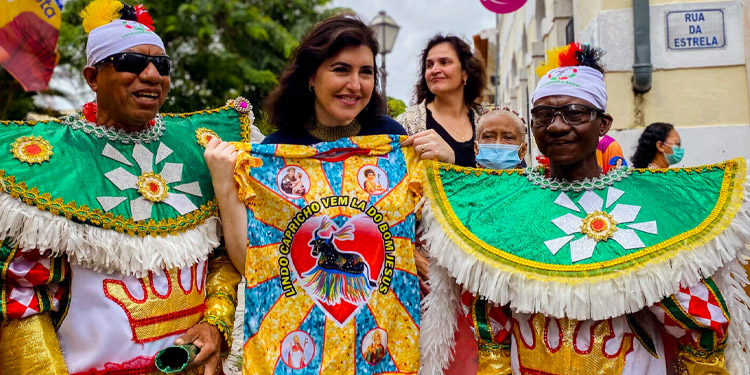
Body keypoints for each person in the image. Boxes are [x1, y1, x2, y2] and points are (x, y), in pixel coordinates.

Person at [418, 42, 750, 375]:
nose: (557, 126)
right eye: (544, 115)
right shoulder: (510, 205)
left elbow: (700, 328)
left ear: (603, 124)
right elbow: (489, 319)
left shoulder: (646, 202)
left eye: (574, 113)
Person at [0, 1, 255, 373]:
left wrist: (215, 324)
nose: (151, 75)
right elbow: (24, 300)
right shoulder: (50, 162)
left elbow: (222, 258)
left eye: (161, 65)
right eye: (130, 62)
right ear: (92, 77)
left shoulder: (200, 150)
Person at [205, 14, 421, 375]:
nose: (355, 84)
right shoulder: (276, 153)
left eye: (366, 72)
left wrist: (442, 164)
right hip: (298, 353)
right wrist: (225, 184)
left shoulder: (394, 141)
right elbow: (253, 264)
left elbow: (422, 231)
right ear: (310, 76)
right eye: (341, 69)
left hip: (379, 348)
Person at [397, 34, 487, 167]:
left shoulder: (488, 121)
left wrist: (454, 161)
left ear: (465, 72)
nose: (434, 70)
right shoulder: (406, 124)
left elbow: (516, 178)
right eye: (429, 65)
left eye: (444, 62)